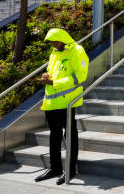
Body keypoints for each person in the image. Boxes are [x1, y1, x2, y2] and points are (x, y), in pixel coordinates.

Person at [34, 28, 89, 185]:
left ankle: (70, 170)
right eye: (50, 42)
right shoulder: (54, 52)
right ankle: (55, 167)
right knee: (54, 135)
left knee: (70, 136)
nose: (52, 44)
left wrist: (55, 83)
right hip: (51, 101)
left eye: (54, 41)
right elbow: (54, 72)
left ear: (63, 39)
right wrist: (46, 76)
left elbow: (81, 75)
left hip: (68, 101)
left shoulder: (77, 51)